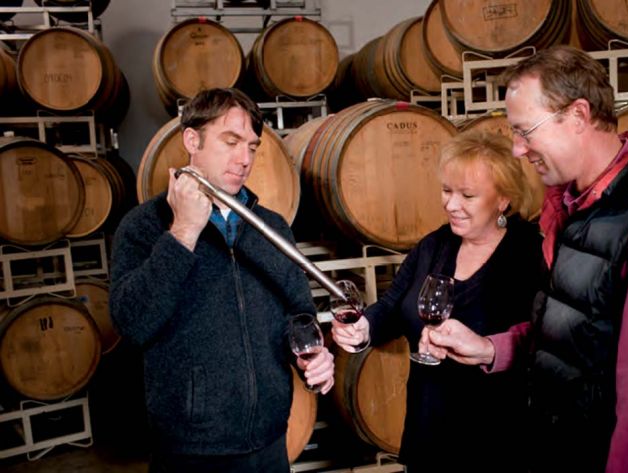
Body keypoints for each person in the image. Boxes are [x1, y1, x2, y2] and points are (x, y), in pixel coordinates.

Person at [423, 45, 628, 472]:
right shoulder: (577, 206)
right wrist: (492, 349)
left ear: (579, 116)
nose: (516, 149)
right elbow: (576, 330)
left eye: (525, 131)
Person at [109, 87, 334, 473]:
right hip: (190, 447)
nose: (244, 158)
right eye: (230, 142)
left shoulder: (271, 227)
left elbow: (299, 314)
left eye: (252, 146)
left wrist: (313, 355)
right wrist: (183, 234)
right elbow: (133, 324)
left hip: (269, 439)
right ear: (192, 140)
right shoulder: (144, 227)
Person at [331, 130, 548, 472]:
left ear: (503, 199)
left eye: (467, 195)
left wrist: (488, 348)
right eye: (447, 191)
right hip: (428, 432)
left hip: (498, 440)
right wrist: (364, 328)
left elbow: (548, 342)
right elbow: (391, 305)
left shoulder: (529, 255)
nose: (450, 204)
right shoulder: (434, 246)